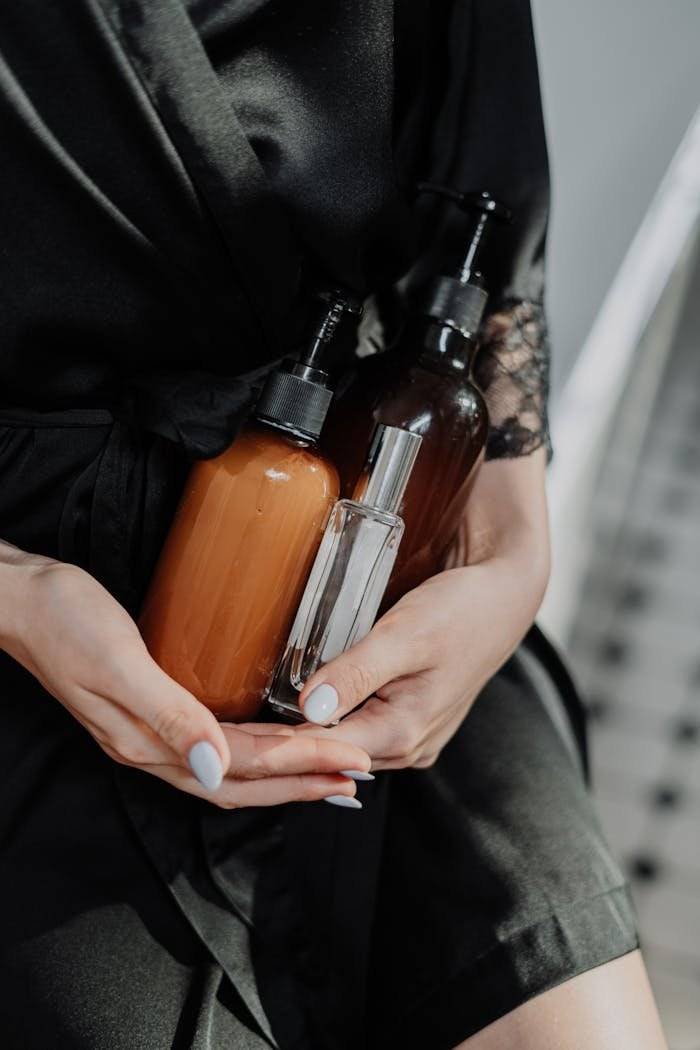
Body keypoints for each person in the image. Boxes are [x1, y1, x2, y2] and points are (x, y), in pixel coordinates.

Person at [0, 1, 667, 1047]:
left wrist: (510, 558)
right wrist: (15, 593)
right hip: (35, 595)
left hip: (369, 533)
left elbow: (486, 229)